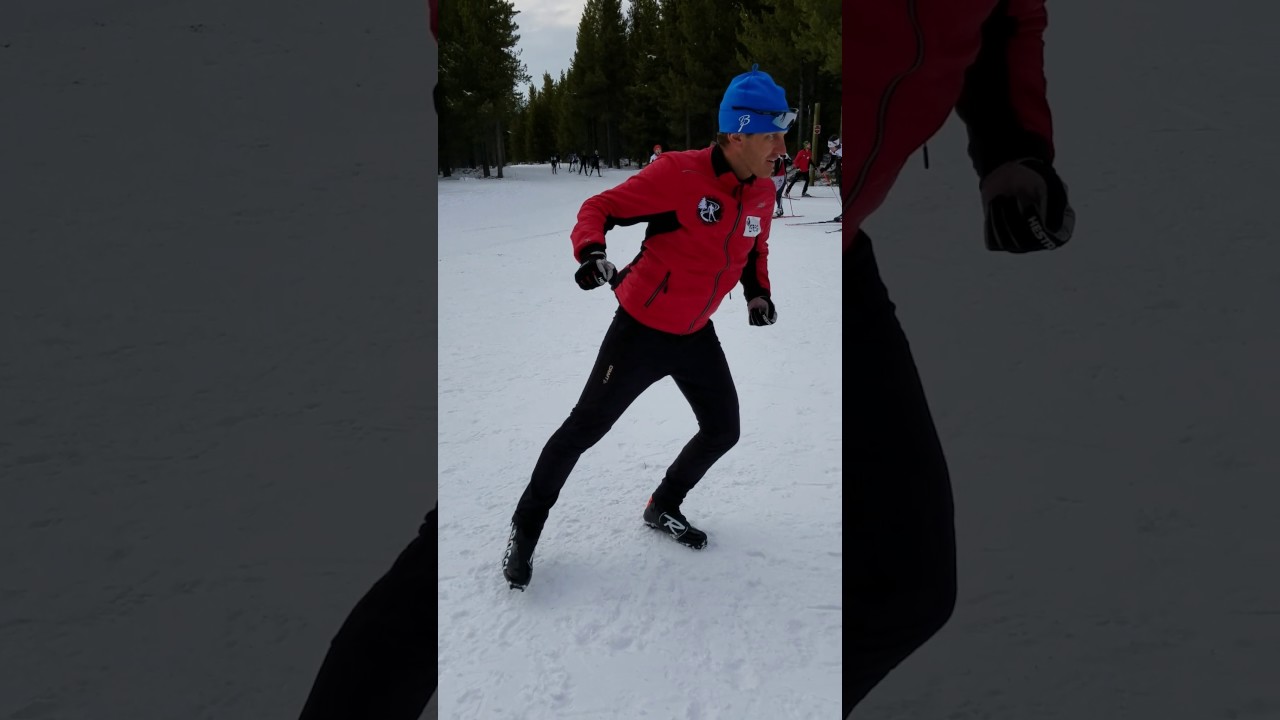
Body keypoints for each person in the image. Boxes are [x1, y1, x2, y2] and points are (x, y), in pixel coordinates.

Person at [845, 1, 1076, 716]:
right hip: (762, 242)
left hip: (840, 249)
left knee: (905, 579)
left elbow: (1007, 16)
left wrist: (1012, 147)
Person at [502, 64, 793, 591]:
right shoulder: (678, 174)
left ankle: (663, 505)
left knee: (723, 430)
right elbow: (600, 206)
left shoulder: (762, 193)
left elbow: (754, 249)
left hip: (696, 332)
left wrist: (758, 293)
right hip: (640, 329)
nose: (782, 145)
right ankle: (524, 530)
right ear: (737, 133)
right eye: (772, 132)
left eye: (783, 131)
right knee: (581, 431)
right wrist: (591, 252)